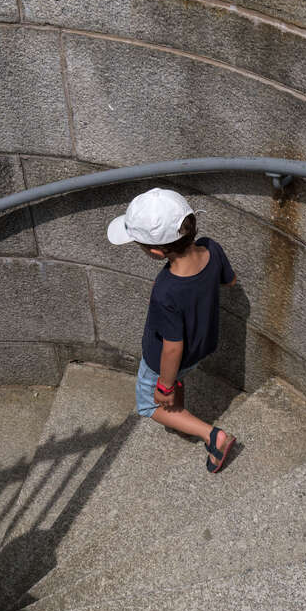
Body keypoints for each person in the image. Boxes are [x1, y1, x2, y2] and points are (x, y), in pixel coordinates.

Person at [107, 187, 237, 473]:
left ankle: (212, 435)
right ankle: (180, 418)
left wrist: (163, 385)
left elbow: (172, 346)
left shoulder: (166, 290)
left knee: (149, 405)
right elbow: (230, 281)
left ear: (156, 251)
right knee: (180, 377)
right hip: (202, 347)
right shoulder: (211, 248)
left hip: (164, 360)